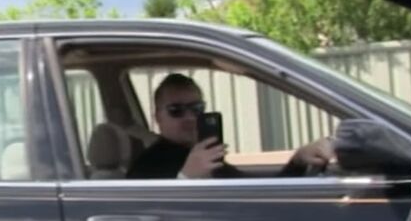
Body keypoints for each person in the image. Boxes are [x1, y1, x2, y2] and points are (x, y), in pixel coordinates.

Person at [126, 73, 334, 179]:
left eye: (196, 108)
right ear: (158, 118)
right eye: (176, 110)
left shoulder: (201, 155)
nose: (189, 117)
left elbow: (252, 196)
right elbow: (144, 219)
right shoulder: (147, 165)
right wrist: (187, 178)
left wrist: (298, 160)